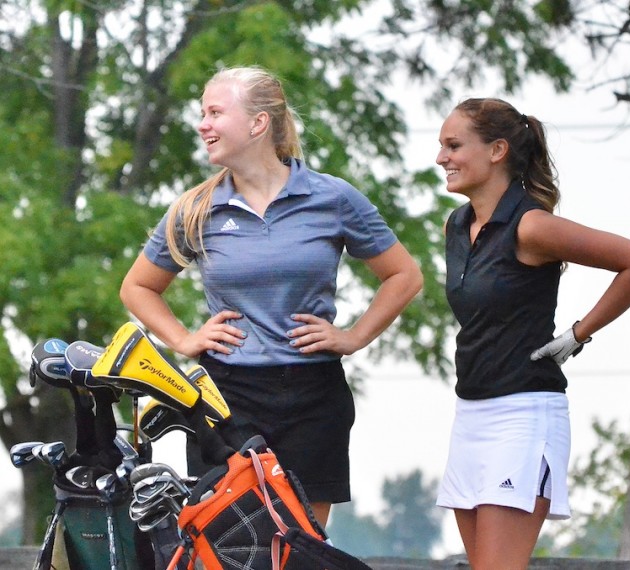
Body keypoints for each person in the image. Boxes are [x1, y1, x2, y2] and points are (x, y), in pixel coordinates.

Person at [119, 65, 423, 527]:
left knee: (302, 542)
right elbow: (137, 287)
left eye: (215, 112)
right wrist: (183, 340)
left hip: (314, 396)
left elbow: (403, 275)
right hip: (225, 397)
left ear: (258, 123)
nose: (203, 124)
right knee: (227, 543)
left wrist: (353, 336)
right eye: (203, 113)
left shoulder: (333, 198)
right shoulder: (194, 209)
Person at [434, 97, 630, 569]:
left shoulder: (532, 226)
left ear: (497, 150)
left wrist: (579, 334)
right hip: (471, 414)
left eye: (454, 145)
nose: (442, 158)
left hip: (523, 417)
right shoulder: (456, 225)